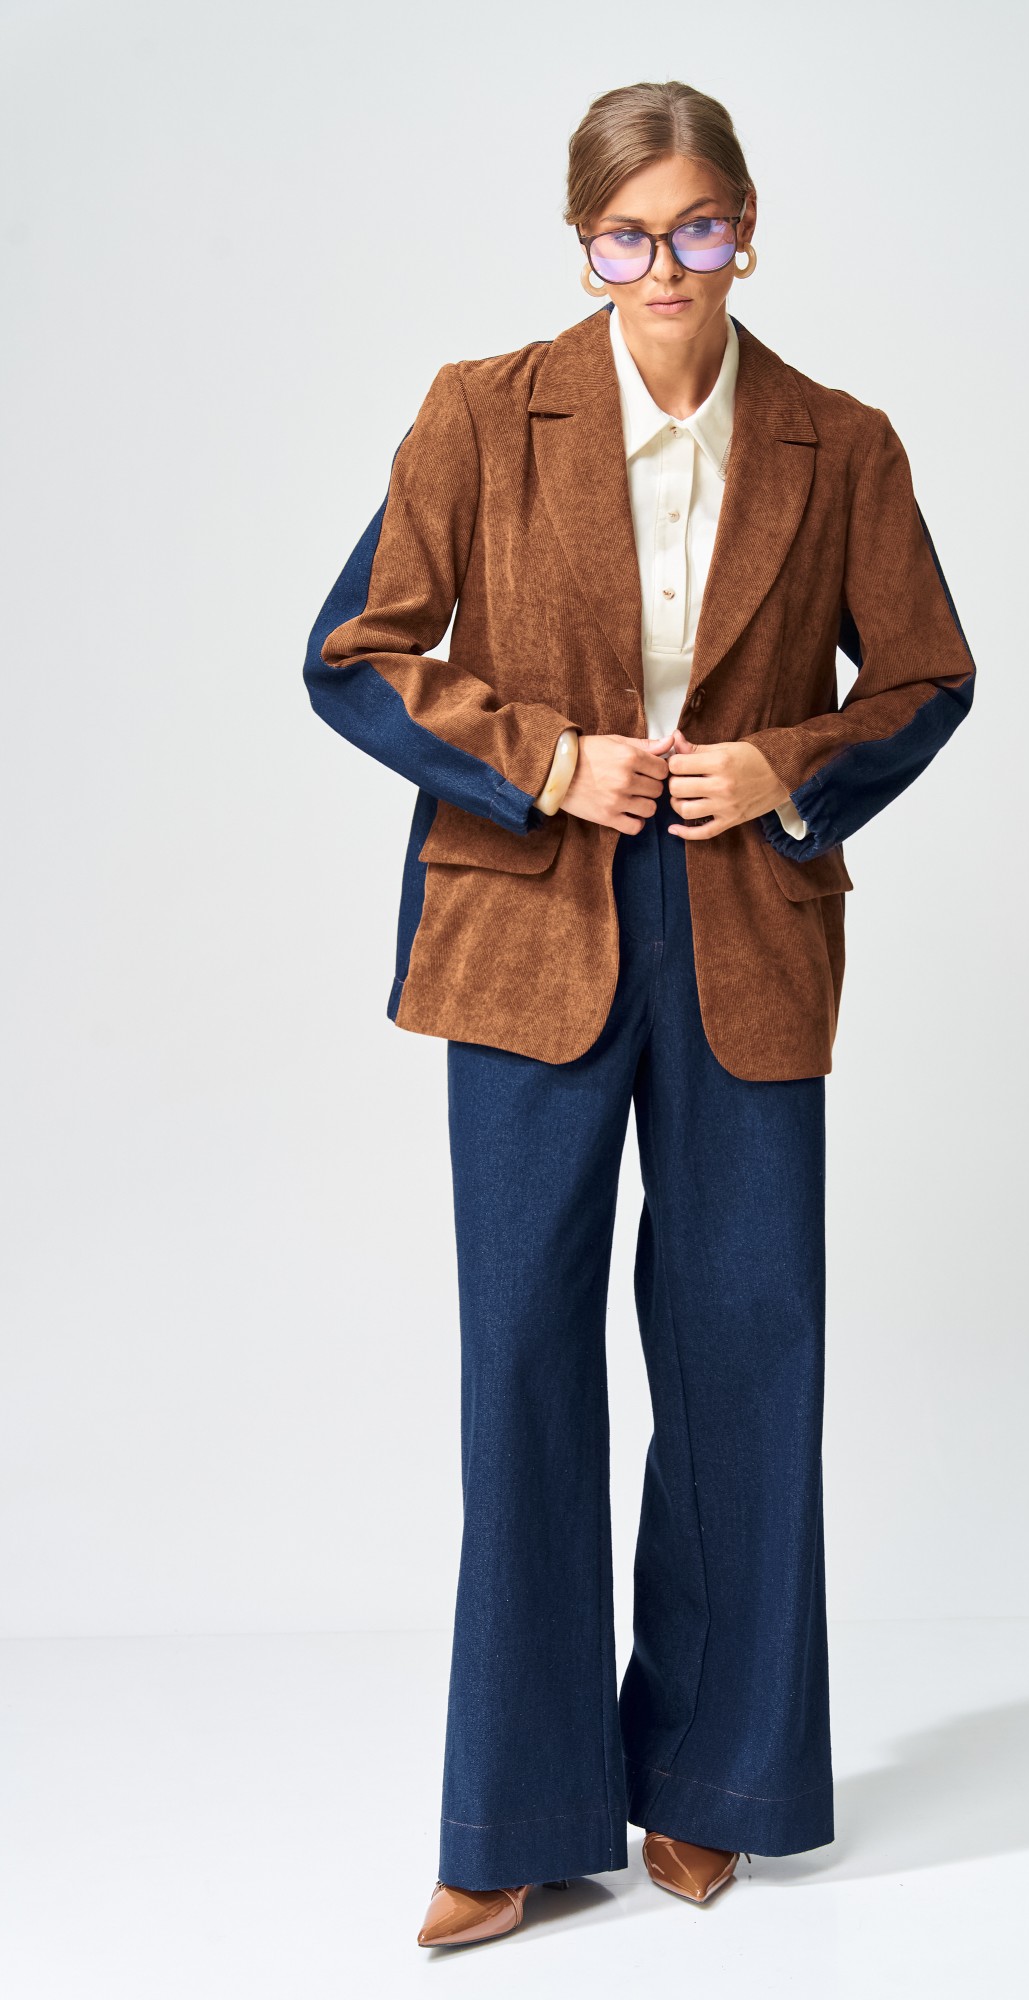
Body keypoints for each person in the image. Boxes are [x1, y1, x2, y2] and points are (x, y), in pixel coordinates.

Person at [302, 78, 976, 1950]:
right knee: (522, 1355)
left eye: (698, 228)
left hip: (746, 925)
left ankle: (709, 1785)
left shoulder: (841, 442)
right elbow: (354, 652)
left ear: (747, 228)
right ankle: (515, 1814)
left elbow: (925, 676)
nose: (665, 266)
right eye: (627, 235)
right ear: (581, 242)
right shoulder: (480, 411)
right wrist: (544, 760)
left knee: (744, 1354)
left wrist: (783, 767)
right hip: (527, 926)